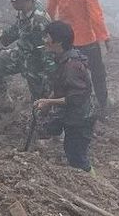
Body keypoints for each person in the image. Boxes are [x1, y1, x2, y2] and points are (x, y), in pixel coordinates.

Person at [47, 0, 111, 115]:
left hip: (65, 41)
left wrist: (51, 35)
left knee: (63, 74)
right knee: (97, 74)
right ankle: (103, 106)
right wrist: (105, 38)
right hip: (85, 41)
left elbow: (50, 11)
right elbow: (96, 17)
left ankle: (58, 106)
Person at [0, 0, 54, 114]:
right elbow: (17, 29)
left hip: (36, 63)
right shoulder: (25, 11)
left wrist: (51, 76)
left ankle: (45, 125)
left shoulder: (39, 21)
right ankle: (2, 102)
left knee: (40, 100)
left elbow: (47, 52)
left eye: (13, 0)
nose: (11, 3)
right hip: (22, 54)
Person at [34, 21, 95, 172]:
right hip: (74, 115)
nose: (45, 41)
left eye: (47, 37)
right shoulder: (63, 59)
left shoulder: (71, 66)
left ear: (58, 41)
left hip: (81, 119)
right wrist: (49, 100)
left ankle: (93, 183)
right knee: (68, 147)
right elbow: (63, 88)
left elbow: (75, 98)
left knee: (76, 157)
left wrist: (48, 102)